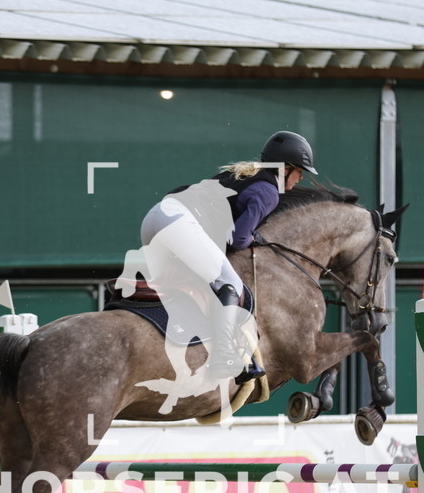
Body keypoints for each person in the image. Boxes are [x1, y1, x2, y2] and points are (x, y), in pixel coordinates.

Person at [120, 130, 318, 384]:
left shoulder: (244, 175)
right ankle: (224, 355)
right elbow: (238, 239)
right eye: (299, 171)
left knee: (200, 284)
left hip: (155, 219)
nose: (300, 178)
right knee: (230, 284)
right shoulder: (269, 191)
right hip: (178, 223)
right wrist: (255, 238)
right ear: (286, 168)